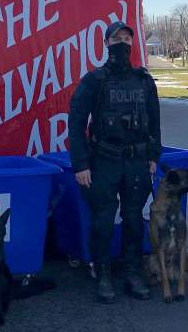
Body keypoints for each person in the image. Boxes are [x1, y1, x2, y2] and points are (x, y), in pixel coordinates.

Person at [68, 21, 161, 303]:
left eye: (127, 38)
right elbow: (76, 124)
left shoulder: (144, 81)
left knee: (134, 219)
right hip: (104, 160)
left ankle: (132, 272)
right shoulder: (94, 81)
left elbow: (154, 122)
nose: (122, 42)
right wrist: (81, 164)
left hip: (136, 162)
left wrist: (153, 157)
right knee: (103, 220)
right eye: (116, 38)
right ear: (106, 43)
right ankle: (103, 272)